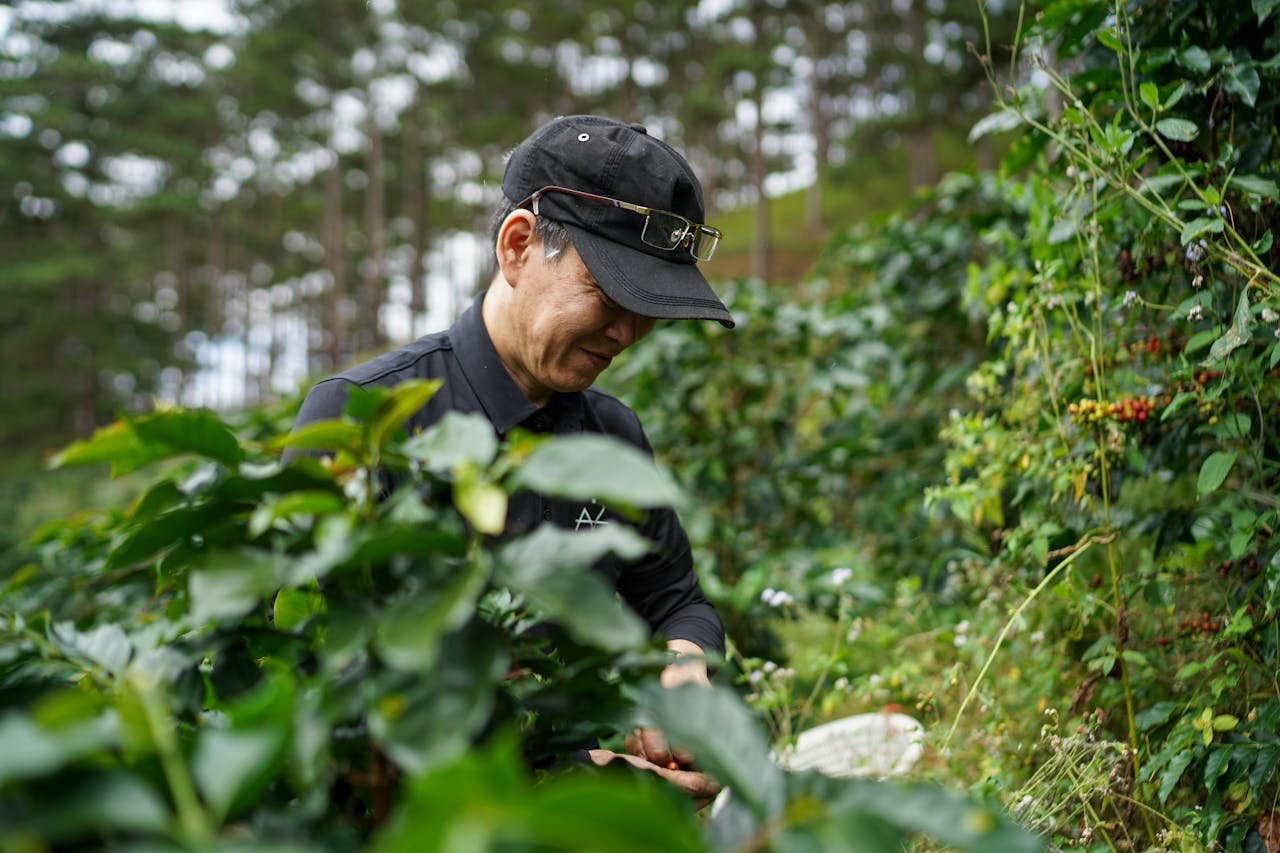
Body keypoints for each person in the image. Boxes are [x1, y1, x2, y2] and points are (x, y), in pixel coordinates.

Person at [290, 115, 732, 807]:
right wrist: (579, 772)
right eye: (611, 295)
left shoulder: (611, 435)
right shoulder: (363, 421)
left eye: (650, 308)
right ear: (519, 245)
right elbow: (318, 668)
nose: (627, 333)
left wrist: (683, 660)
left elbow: (674, 597)